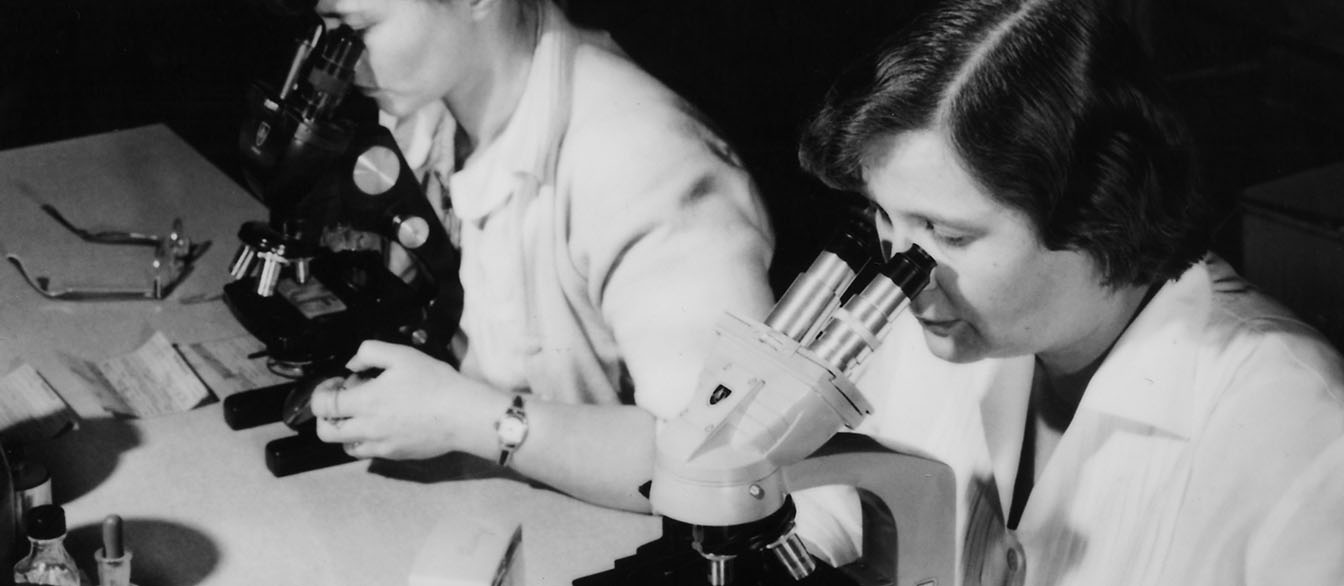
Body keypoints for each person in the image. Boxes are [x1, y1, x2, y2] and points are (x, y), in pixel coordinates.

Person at [796, 0, 1344, 583]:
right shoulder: (932, 331)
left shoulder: (1298, 424)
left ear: (1095, 211)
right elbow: (827, 520)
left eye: (950, 234)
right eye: (885, 217)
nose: (899, 273)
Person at [303, 0, 775, 512]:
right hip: (503, 509)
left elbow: (725, 462)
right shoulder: (428, 103)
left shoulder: (638, 154)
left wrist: (461, 417)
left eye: (355, 26)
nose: (339, 61)